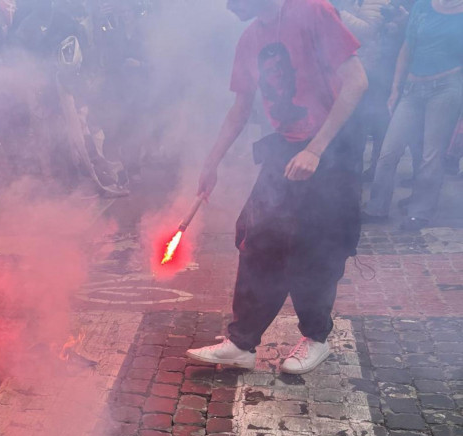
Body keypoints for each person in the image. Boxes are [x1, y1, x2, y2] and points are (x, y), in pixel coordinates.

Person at [185, 0, 368, 375]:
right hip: (285, 148)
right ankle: (241, 343)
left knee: (315, 248)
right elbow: (240, 107)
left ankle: (316, 338)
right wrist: (211, 161)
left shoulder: (311, 11)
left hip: (334, 147)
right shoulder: (251, 37)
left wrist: (316, 150)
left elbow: (357, 81)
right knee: (258, 241)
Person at [362, 0, 463, 230]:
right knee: (389, 151)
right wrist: (396, 86)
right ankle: (376, 207)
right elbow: (408, 46)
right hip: (412, 88)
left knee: (431, 154)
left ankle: (420, 213)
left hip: (447, 88)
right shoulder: (423, 6)